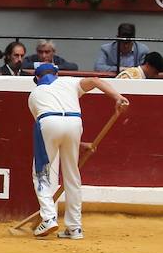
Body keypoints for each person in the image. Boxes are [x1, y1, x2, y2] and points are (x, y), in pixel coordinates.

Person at [28, 63, 129, 240]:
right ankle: (74, 228)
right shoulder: (69, 82)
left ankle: (49, 217)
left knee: (41, 174)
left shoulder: (34, 94)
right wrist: (117, 96)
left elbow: (51, 127)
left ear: (37, 79)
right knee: (72, 175)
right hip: (75, 123)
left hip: (47, 120)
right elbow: (95, 80)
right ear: (57, 74)